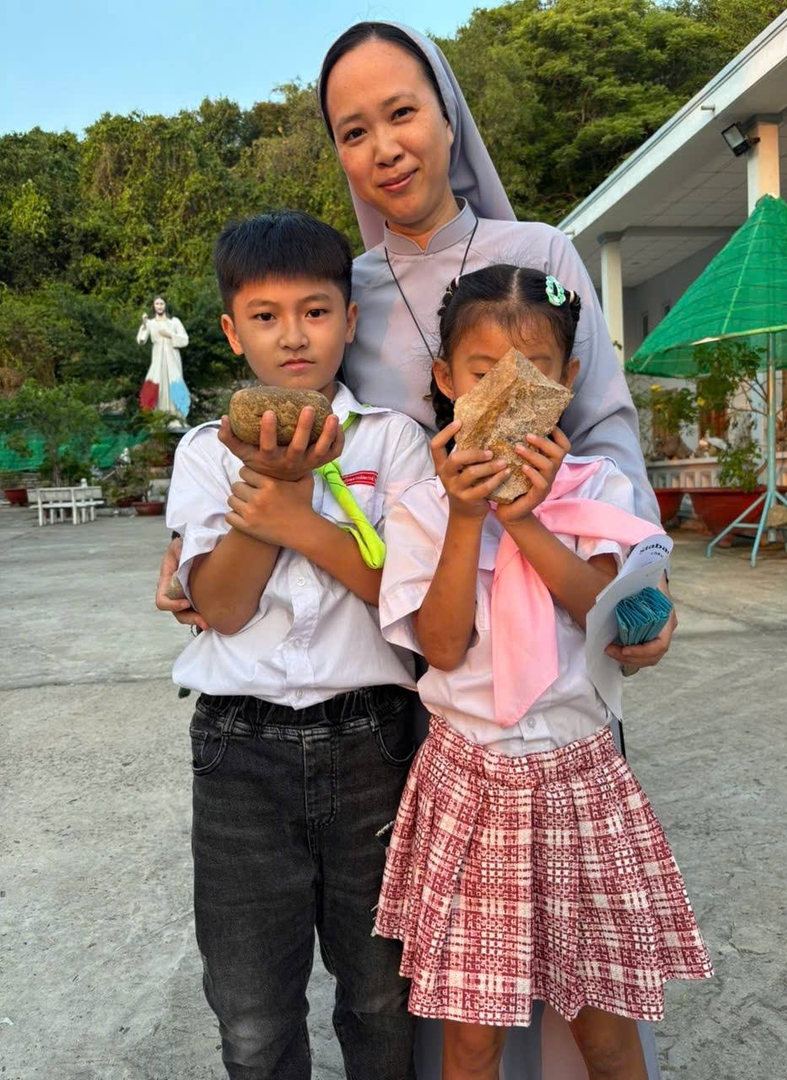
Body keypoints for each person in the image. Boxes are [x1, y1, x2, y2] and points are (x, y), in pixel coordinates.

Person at [156, 21, 674, 1075]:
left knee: (577, 977)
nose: (385, 146)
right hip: (424, 681)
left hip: (551, 643)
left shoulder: (539, 256)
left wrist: (643, 590)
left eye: (403, 113)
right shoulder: (339, 289)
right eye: (355, 130)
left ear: (448, 117)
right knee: (436, 984)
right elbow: (284, 446)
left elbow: (607, 432)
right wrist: (189, 553)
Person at [373, 264, 713, 1080]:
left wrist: (525, 521)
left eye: (530, 375)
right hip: (469, 785)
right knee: (470, 1042)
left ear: (566, 381)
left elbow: (606, 613)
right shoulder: (421, 506)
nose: (504, 394)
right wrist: (468, 518)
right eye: (483, 374)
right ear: (446, 381)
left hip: (580, 781)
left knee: (607, 1034)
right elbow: (441, 646)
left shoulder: (600, 489)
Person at [165, 210, 434, 1079]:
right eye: (266, 316)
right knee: (252, 1012)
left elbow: (416, 601)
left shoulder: (391, 440)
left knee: (383, 997)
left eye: (315, 312)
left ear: (349, 320)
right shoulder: (206, 454)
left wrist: (299, 520)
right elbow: (221, 606)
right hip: (239, 752)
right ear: (230, 331)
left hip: (375, 743)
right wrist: (268, 493)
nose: (293, 336)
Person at [137, 296, 191, 420]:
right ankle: (160, 416)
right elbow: (141, 340)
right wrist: (144, 325)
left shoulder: (174, 322)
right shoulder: (150, 323)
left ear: (165, 305)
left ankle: (176, 416)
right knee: (158, 384)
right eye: (157, 303)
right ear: (153, 306)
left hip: (172, 357)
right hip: (157, 358)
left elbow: (185, 339)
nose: (159, 306)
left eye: (162, 303)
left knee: (174, 382)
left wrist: (170, 335)